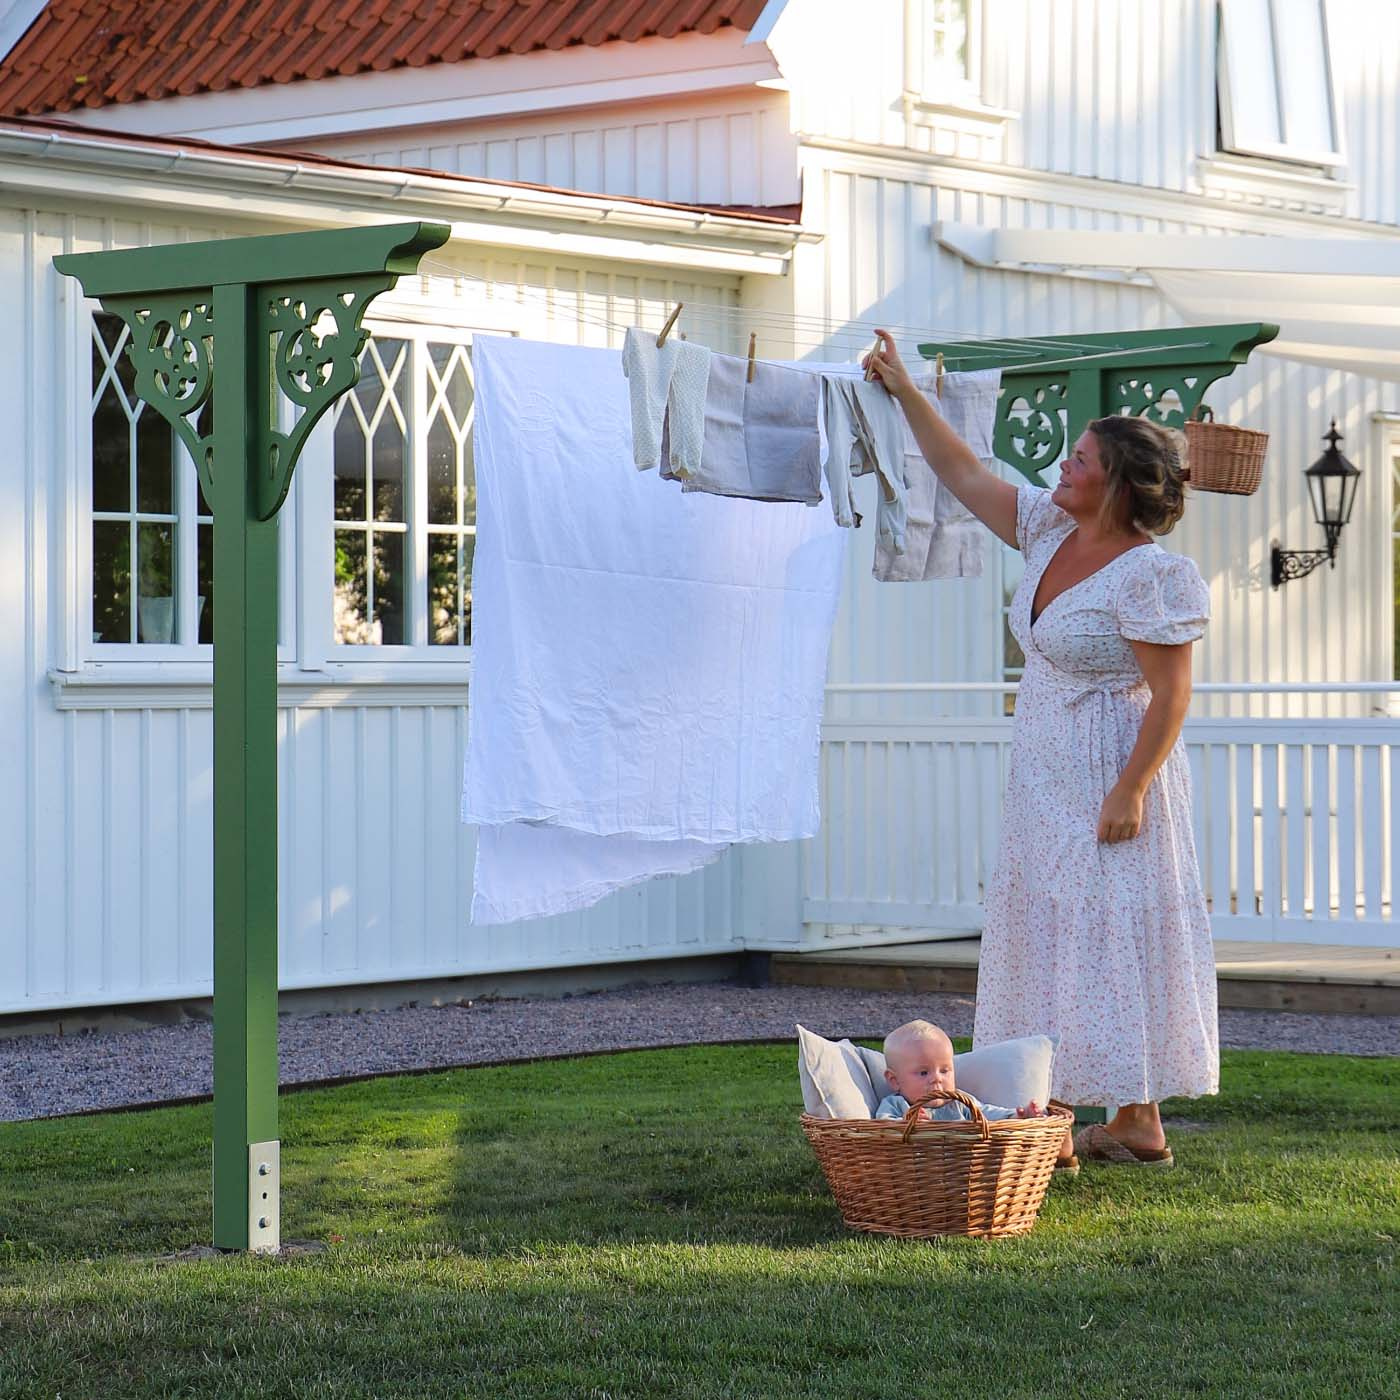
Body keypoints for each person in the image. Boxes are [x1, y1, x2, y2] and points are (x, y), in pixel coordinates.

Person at [863, 332, 1218, 1170]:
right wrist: (908, 391)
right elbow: (963, 473)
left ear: (1120, 484)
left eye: (1083, 457)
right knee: (1054, 936)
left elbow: (1170, 697)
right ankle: (1086, 1116)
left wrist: (1131, 790)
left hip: (1111, 776)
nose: (1064, 464)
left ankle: (1102, 1117)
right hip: (1045, 775)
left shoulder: (1151, 575)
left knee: (1108, 938)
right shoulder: (1049, 532)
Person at [873, 1019, 1041, 1122]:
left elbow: (988, 1114)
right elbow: (882, 1129)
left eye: (944, 1071)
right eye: (924, 1073)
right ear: (894, 1080)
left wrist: (1016, 1116)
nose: (936, 1079)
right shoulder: (896, 1105)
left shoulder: (960, 1103)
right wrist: (906, 1123)